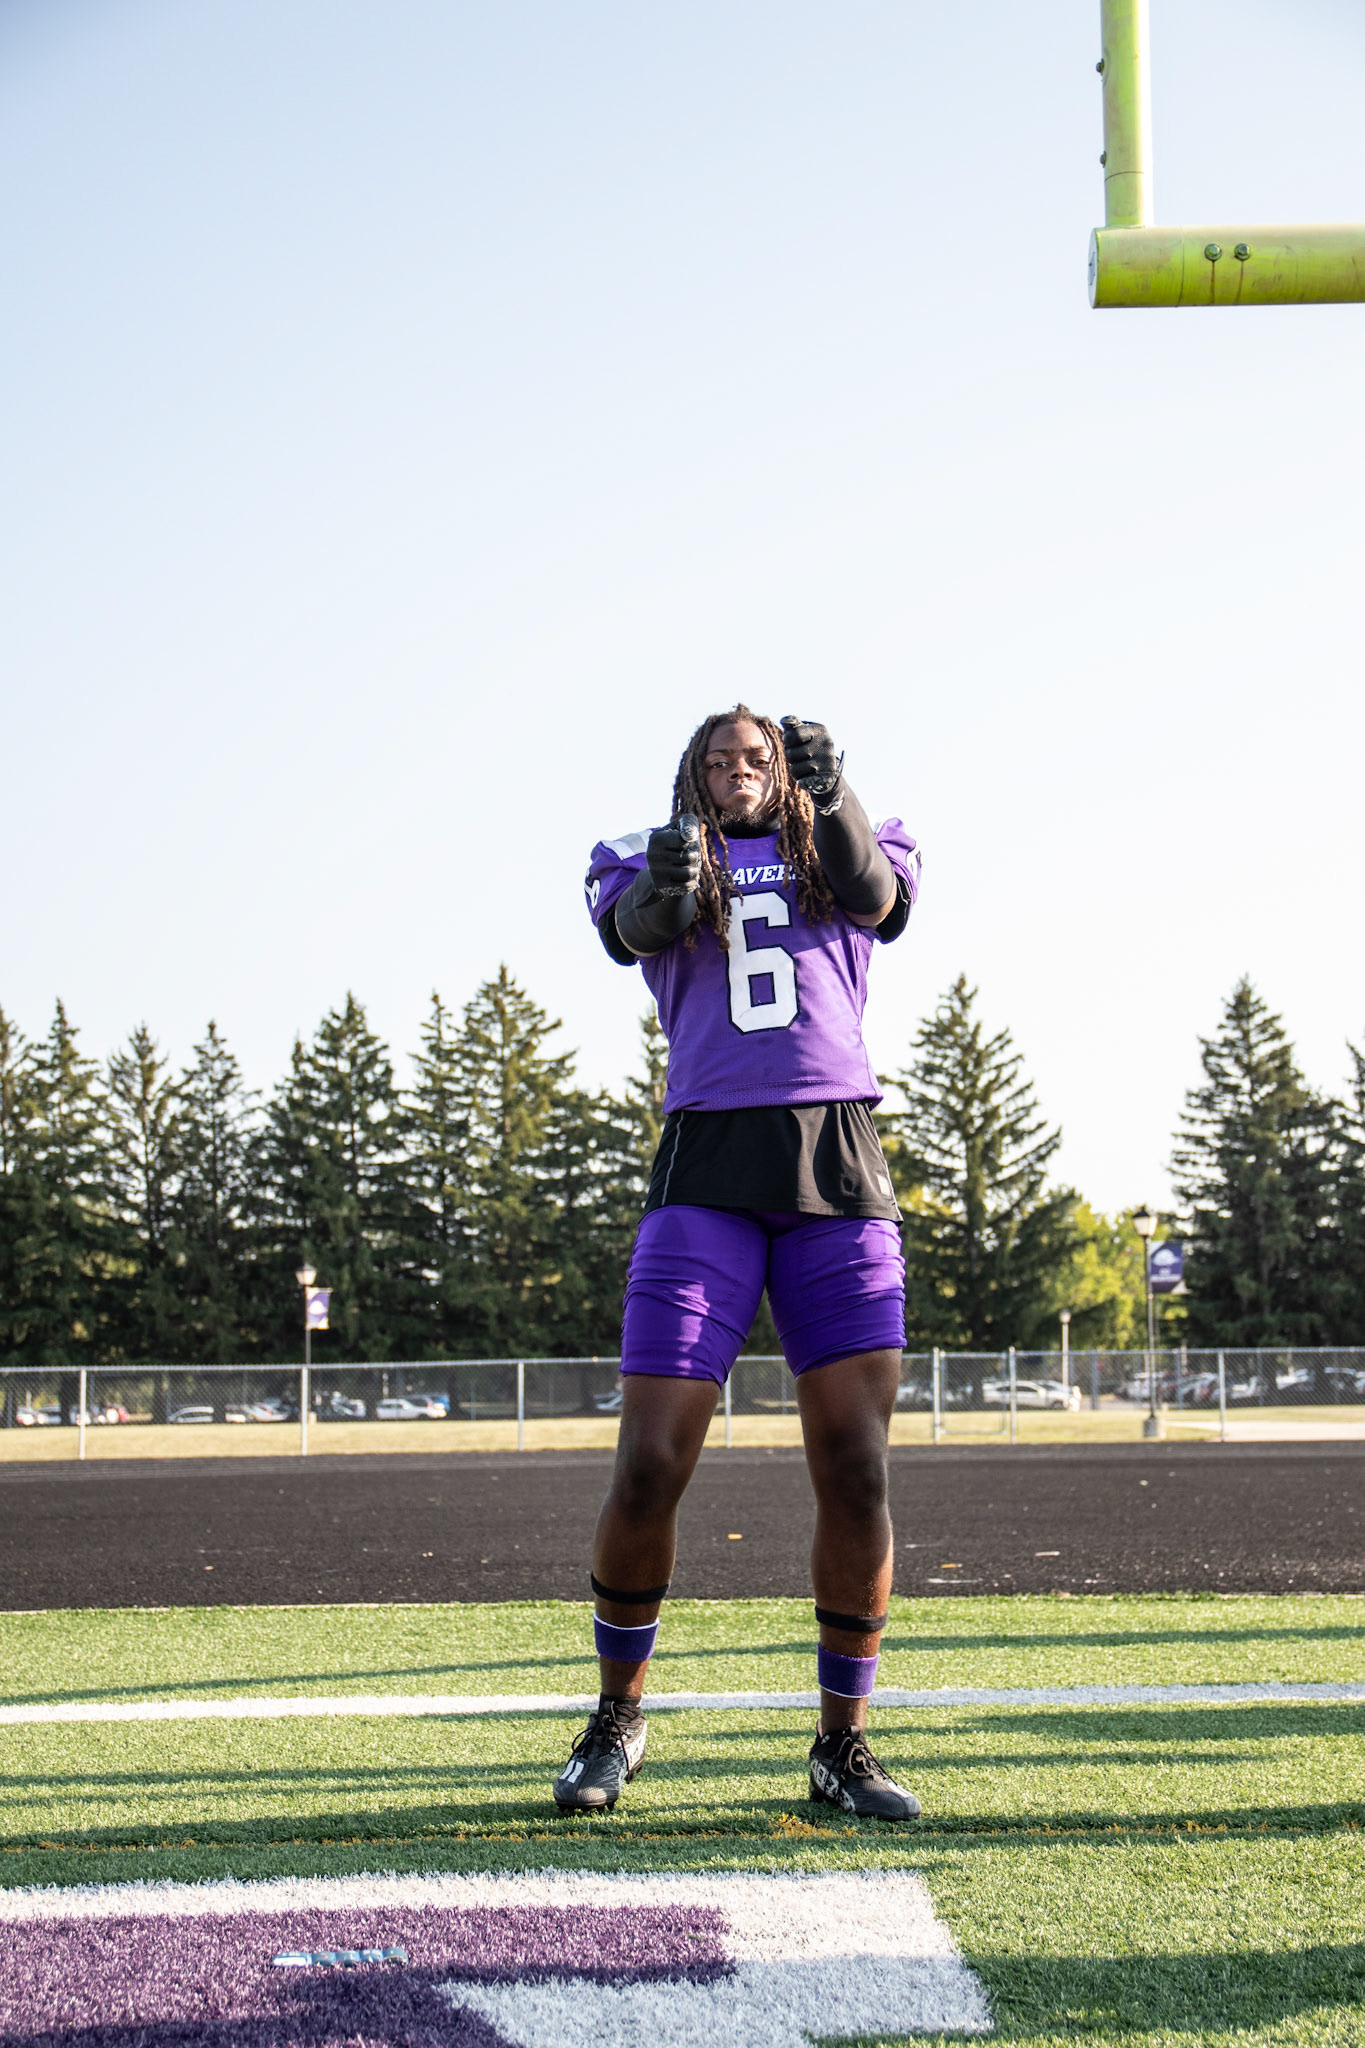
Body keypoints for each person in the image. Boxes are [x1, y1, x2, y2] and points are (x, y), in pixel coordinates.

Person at [555, 706, 921, 1821]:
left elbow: (876, 898)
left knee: (856, 1464)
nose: (738, 771)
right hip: (706, 1164)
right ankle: (617, 1716)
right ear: (692, 775)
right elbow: (637, 928)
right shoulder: (648, 850)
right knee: (650, 1459)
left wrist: (833, 791)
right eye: (718, 760)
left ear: (787, 769)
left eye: (757, 756)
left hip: (834, 1159)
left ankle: (841, 1743)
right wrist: (675, 878)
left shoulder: (845, 837)